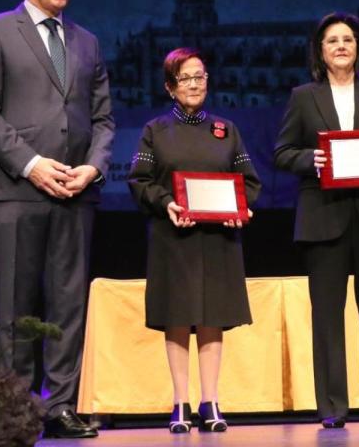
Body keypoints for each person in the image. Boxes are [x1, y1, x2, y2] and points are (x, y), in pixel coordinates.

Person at [0, 0, 114, 439]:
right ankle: (14, 411)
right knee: (16, 306)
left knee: (69, 305)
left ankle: (60, 406)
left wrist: (93, 168)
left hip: (76, 192)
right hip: (17, 189)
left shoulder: (87, 42)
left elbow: (103, 119)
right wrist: (30, 164)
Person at [274, 12, 359, 428]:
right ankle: (332, 408)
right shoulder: (303, 96)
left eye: (347, 39)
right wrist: (310, 159)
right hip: (323, 217)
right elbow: (282, 152)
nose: (340, 46)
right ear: (320, 50)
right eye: (332, 40)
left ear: (357, 48)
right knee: (327, 317)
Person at [127, 47, 260, 433]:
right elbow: (139, 181)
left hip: (218, 238)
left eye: (199, 76)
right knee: (178, 317)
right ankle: (180, 403)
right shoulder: (156, 130)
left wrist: (242, 207)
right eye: (185, 78)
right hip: (174, 237)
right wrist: (166, 203)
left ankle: (211, 401)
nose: (194, 84)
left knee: (212, 318)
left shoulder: (226, 129)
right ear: (170, 87)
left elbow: (249, 182)